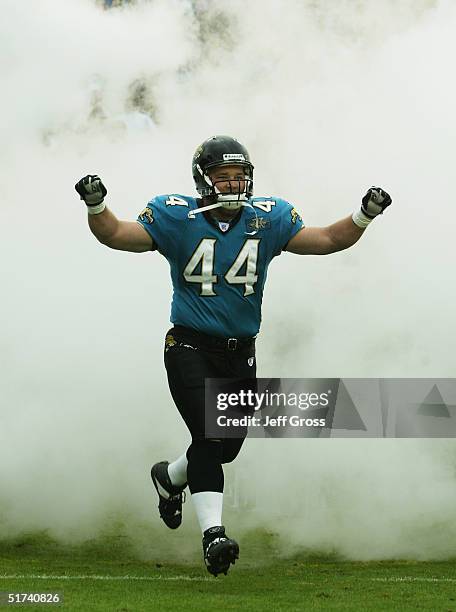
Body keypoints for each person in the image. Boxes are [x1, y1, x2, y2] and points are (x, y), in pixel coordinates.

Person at [75, 135, 392, 576]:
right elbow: (116, 234)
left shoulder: (269, 217)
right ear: (203, 181)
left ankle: (170, 477)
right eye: (223, 177)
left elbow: (327, 239)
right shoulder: (177, 214)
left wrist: (365, 214)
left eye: (239, 176)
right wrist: (96, 205)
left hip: (240, 352)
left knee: (224, 450)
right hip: (188, 344)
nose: (233, 185)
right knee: (209, 436)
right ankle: (213, 537)